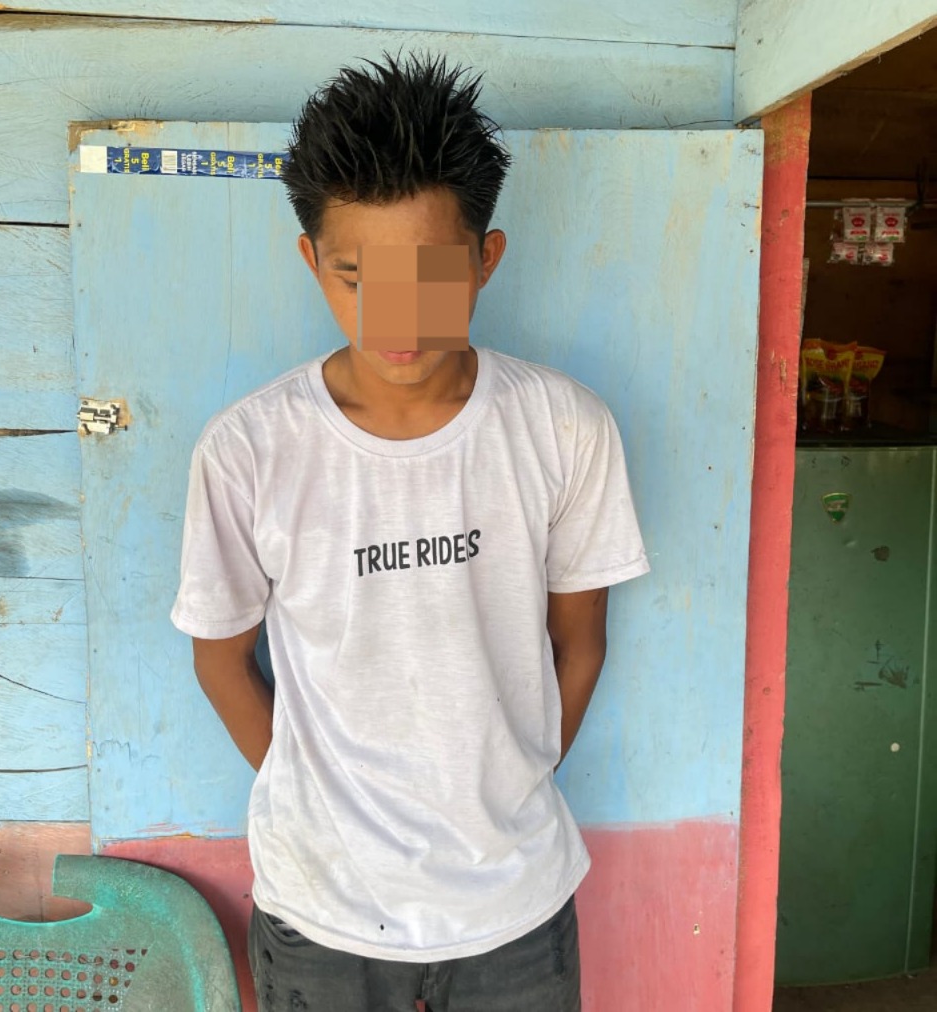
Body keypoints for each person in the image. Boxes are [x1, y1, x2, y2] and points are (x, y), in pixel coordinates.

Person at [170, 48, 649, 1012]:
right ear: (312, 262)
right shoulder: (249, 450)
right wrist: (325, 805)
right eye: (356, 275)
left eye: (427, 275)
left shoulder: (564, 428)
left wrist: (506, 786)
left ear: (486, 258)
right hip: (323, 911)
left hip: (515, 903)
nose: (394, 316)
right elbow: (221, 660)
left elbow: (580, 642)